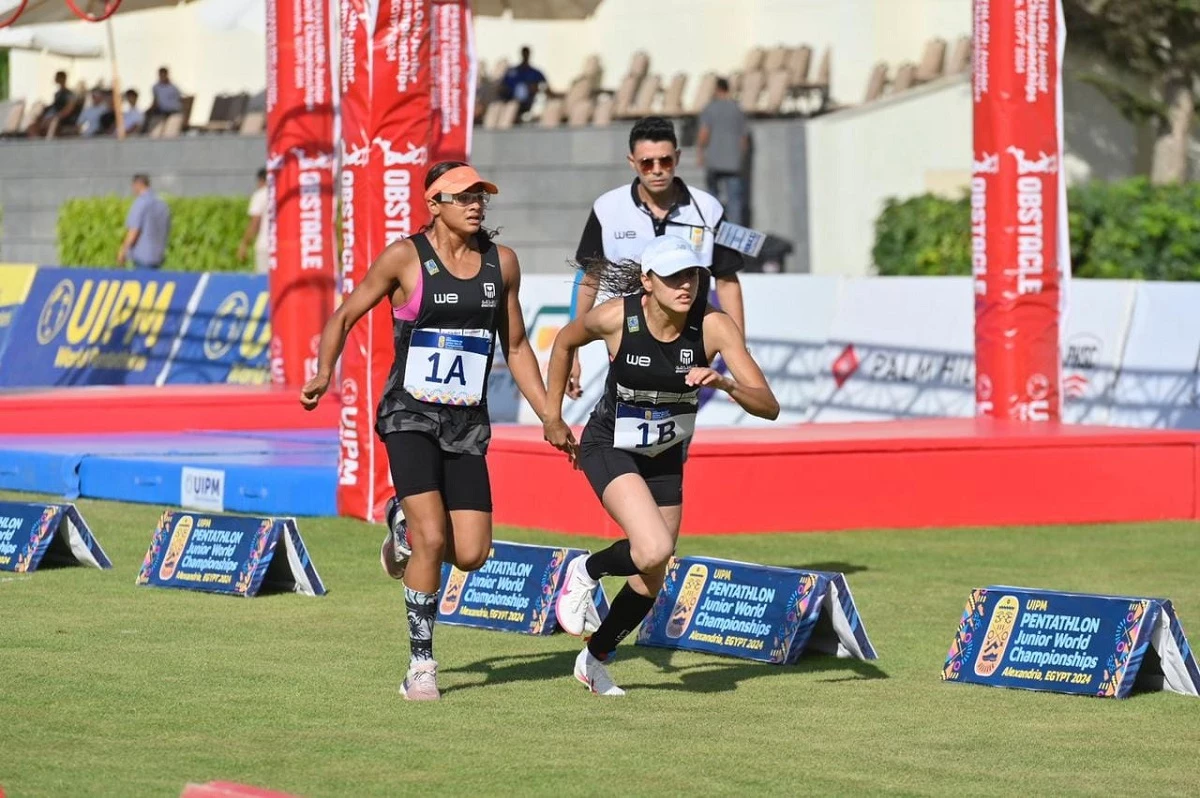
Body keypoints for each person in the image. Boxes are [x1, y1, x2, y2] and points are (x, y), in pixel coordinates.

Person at [299, 161, 563, 701]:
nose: (475, 204)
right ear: (433, 203)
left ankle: (400, 523)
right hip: (409, 416)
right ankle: (422, 664)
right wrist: (324, 371)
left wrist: (549, 416)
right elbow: (346, 314)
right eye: (463, 196)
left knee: (471, 553)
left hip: (466, 422)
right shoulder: (405, 257)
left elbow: (514, 348)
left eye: (481, 196)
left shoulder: (501, 264)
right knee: (433, 537)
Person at [542, 236, 779, 696]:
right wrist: (553, 417)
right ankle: (586, 571)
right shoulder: (617, 318)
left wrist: (725, 384)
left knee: (653, 572)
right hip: (609, 443)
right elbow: (565, 342)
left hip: (666, 455)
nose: (684, 285)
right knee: (650, 548)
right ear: (648, 282)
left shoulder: (714, 327)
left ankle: (596, 657)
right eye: (671, 277)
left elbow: (768, 406)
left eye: (689, 275)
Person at [568, 116, 746, 399]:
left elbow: (727, 280)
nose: (657, 171)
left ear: (677, 157)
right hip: (626, 329)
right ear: (632, 162)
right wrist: (572, 352)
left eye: (665, 161)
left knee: (677, 417)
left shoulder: (708, 209)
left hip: (689, 333)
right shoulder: (607, 208)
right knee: (619, 415)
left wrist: (739, 351)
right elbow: (589, 278)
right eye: (646, 163)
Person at [697, 77, 749, 226]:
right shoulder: (737, 109)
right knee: (735, 201)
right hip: (734, 162)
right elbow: (744, 138)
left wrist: (700, 152)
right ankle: (735, 239)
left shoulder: (710, 108)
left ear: (717, 89)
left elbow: (704, 133)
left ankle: (714, 229)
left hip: (714, 161)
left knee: (713, 199)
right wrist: (741, 158)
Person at [118, 174, 171, 269]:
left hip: (142, 259)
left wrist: (123, 251)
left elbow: (134, 231)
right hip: (158, 257)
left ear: (137, 185)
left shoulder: (140, 203)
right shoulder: (162, 204)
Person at [500, 46, 548, 118]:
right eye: (524, 53)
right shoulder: (512, 71)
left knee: (513, 107)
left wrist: (535, 88)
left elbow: (545, 87)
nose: (525, 55)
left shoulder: (535, 73)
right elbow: (502, 87)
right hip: (509, 101)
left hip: (527, 103)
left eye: (527, 53)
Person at [237, 169, 269, 274]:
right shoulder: (281, 193)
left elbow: (255, 223)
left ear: (261, 180)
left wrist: (244, 244)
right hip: (282, 247)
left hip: (265, 245)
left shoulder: (260, 195)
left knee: (265, 281)